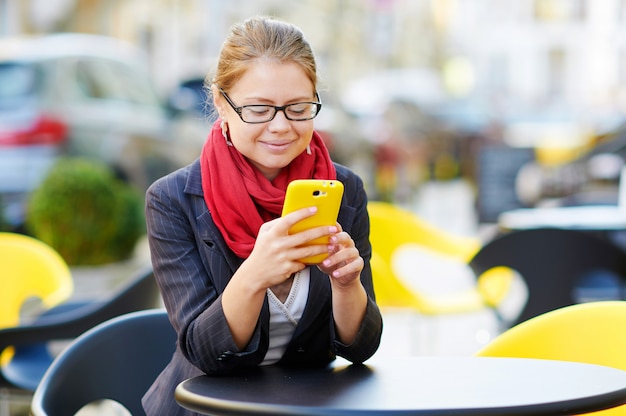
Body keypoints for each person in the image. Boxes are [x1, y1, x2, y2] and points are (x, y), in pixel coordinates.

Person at [142, 15, 383, 415]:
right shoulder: (172, 199)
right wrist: (256, 273)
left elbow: (362, 348)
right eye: (258, 109)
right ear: (221, 103)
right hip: (206, 408)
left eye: (298, 108)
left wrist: (346, 285)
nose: (280, 126)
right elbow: (204, 351)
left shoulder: (344, 190)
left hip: (309, 405)